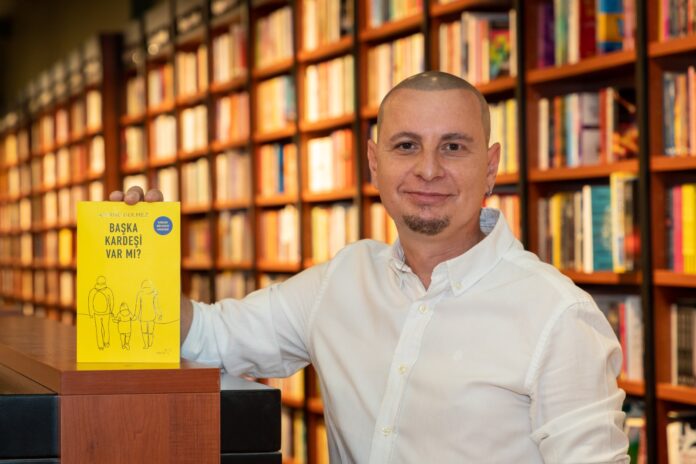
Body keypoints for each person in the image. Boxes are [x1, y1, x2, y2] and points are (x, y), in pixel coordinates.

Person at [110, 71, 629, 463]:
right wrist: (136, 262)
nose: (429, 169)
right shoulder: (340, 282)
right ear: (375, 163)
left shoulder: (558, 316)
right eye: (407, 146)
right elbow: (208, 338)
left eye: (453, 147)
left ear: (490, 167)